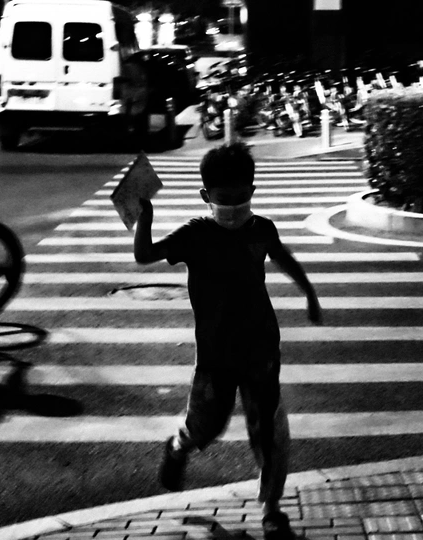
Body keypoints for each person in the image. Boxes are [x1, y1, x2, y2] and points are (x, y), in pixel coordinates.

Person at [134, 142, 322, 540]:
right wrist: (145, 218)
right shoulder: (195, 234)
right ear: (206, 196)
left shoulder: (262, 229)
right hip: (215, 356)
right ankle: (179, 446)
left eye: (241, 198)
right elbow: (145, 254)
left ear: (252, 191)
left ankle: (272, 509)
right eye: (224, 199)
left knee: (269, 433)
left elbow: (282, 256)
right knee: (206, 425)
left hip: (261, 350)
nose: (233, 207)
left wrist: (308, 291)